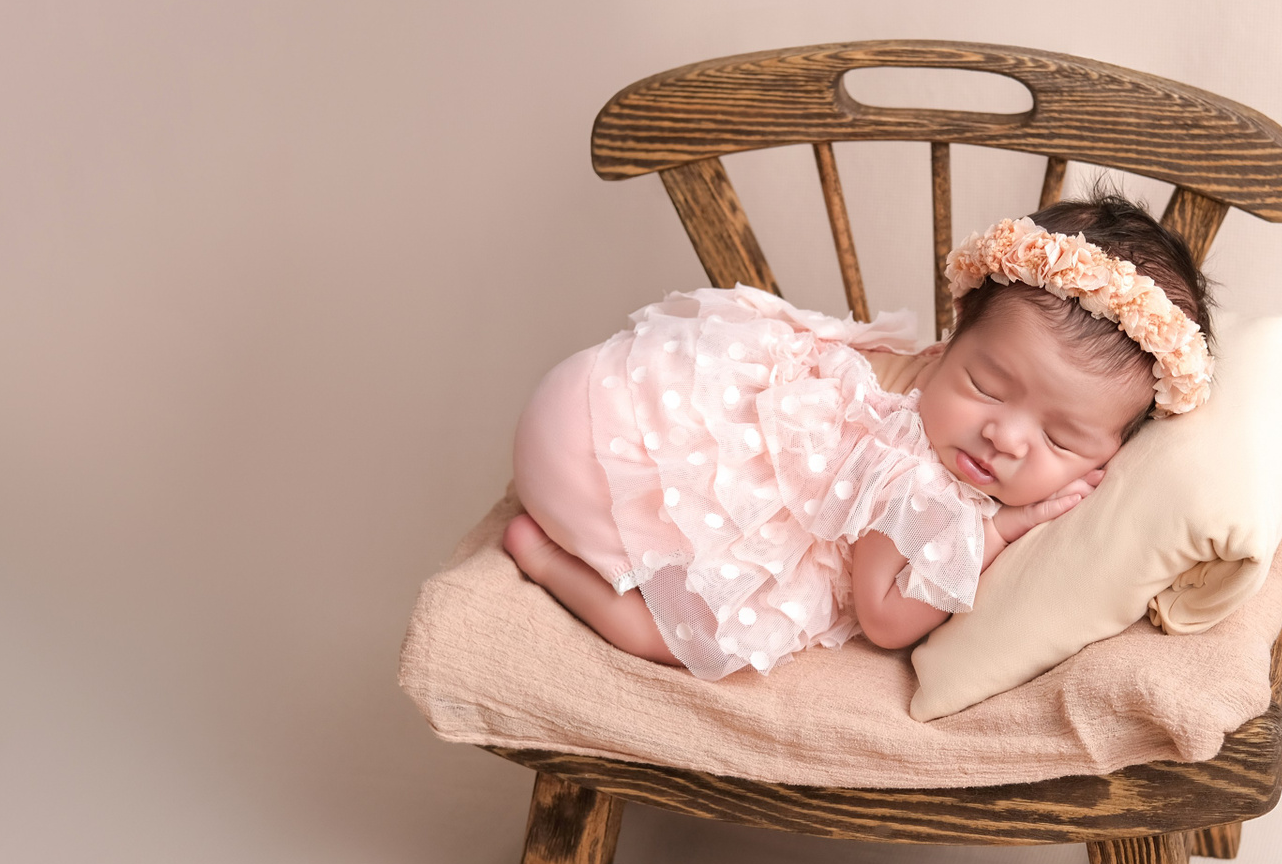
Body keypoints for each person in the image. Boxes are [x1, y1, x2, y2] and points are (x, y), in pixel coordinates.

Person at [501, 192, 1214, 678]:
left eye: (1060, 439)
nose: (1005, 437)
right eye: (986, 387)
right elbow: (885, 619)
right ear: (950, 341)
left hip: (605, 385)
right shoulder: (916, 476)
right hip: (590, 453)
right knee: (693, 635)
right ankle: (543, 558)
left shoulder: (923, 388)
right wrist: (999, 532)